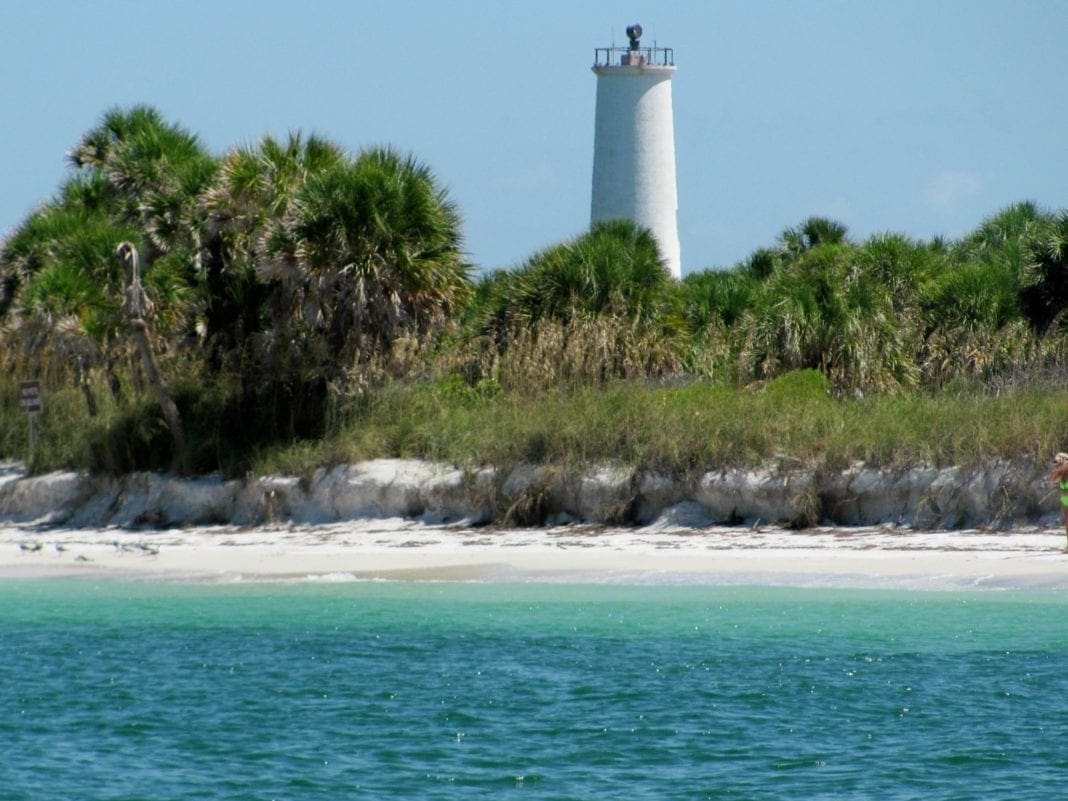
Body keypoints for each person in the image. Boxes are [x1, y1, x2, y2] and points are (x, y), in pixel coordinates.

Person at [1052, 453, 1068, 550]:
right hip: (1064, 499)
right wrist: (1059, 469)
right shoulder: (1061, 472)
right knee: (1066, 522)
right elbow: (1053, 479)